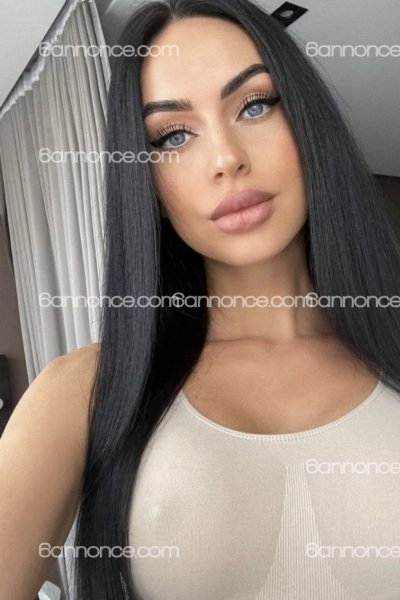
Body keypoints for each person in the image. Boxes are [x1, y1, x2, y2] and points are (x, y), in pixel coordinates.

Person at [1, 0, 400, 598]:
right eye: (173, 135)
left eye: (255, 105)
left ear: (308, 126)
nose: (226, 158)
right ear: (147, 184)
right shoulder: (84, 393)